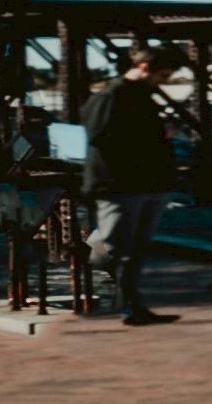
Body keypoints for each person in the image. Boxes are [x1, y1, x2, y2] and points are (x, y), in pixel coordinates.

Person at [75, 45, 187, 325]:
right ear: (145, 68)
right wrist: (154, 137)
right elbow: (100, 139)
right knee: (116, 249)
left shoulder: (133, 95)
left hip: (144, 184)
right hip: (121, 185)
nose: (164, 81)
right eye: (163, 74)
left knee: (131, 250)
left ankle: (132, 307)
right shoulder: (111, 96)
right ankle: (87, 263)